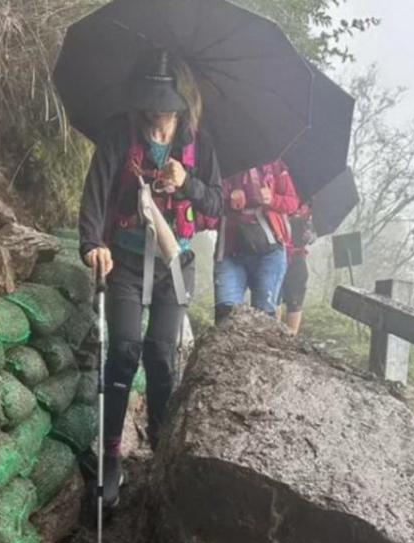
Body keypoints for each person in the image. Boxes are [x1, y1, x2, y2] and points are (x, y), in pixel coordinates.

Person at [78, 49, 224, 507]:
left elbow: (216, 205)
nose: (158, 113)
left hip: (174, 264)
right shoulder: (120, 134)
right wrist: (91, 244)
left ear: (184, 101)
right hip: (123, 258)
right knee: (122, 350)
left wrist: (187, 183)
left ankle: (162, 453)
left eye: (167, 103)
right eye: (152, 102)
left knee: (162, 357)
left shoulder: (200, 145)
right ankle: (111, 455)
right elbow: (96, 193)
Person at [213, 159, 300, 323]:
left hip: (270, 250)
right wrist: (227, 201)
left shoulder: (275, 165)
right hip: (230, 251)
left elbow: (292, 202)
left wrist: (272, 199)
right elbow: (207, 205)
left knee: (264, 319)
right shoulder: (219, 164)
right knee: (225, 317)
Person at [280, 202, 316, 335]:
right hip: (276, 255)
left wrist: (310, 236)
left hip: (297, 259)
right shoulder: (281, 199)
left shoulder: (308, 213)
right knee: (275, 296)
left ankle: (291, 337)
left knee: (295, 299)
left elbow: (313, 235)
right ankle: (272, 333)